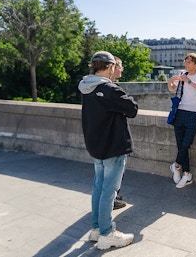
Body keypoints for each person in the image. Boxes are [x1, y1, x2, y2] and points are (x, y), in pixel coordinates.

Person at [78, 51, 138, 250]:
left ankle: (96, 229)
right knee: (109, 191)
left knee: (98, 187)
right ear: (109, 67)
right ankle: (106, 233)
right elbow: (132, 108)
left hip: (96, 144)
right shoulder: (109, 88)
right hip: (112, 144)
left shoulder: (86, 86)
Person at [166, 53, 196, 188]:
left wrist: (189, 81)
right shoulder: (182, 74)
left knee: (186, 144)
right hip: (180, 111)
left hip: (195, 113)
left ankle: (176, 165)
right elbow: (172, 89)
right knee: (181, 145)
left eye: (189, 62)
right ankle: (186, 174)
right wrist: (170, 81)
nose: (186, 64)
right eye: (186, 62)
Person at [110, 56, 127, 210]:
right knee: (114, 174)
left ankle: (113, 196)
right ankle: (112, 199)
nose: (122, 69)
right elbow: (131, 109)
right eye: (120, 66)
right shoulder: (112, 89)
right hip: (113, 141)